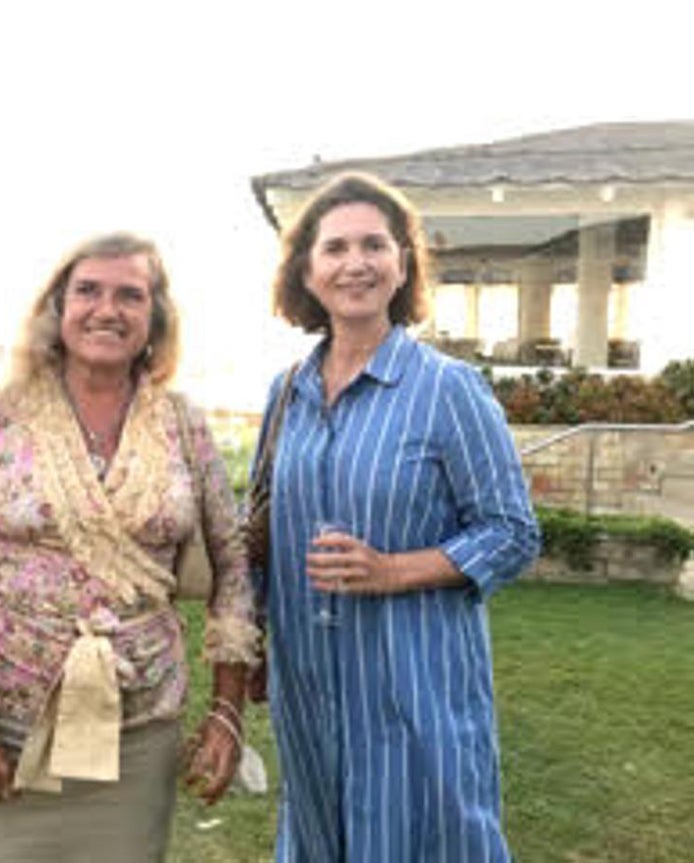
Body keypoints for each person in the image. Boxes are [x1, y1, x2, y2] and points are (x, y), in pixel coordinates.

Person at [0, 232, 260, 862]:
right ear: (57, 307)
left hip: (138, 730)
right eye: (88, 291)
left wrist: (227, 712)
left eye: (131, 294)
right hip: (8, 733)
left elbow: (233, 565)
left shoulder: (181, 419)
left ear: (155, 315)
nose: (108, 309)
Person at [255, 172, 540, 862]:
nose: (356, 263)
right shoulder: (285, 391)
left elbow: (513, 532)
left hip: (414, 690)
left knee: (428, 837)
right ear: (307, 270)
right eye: (336, 247)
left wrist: (394, 569)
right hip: (310, 694)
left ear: (403, 263)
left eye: (375, 245)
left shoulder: (448, 389)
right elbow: (262, 526)